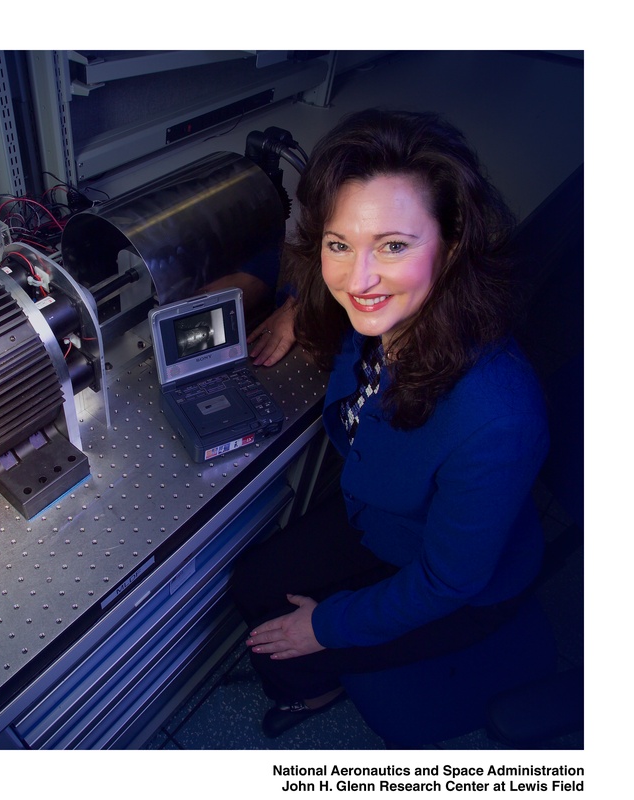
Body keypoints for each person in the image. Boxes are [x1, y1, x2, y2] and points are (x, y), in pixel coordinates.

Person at [230, 108, 549, 739]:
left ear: (452, 244)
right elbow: (318, 274)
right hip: (380, 520)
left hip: (453, 582)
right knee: (253, 584)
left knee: (286, 642)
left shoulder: (497, 418)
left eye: (394, 246)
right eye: (340, 244)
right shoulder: (378, 313)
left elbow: (446, 581)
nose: (360, 280)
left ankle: (312, 694)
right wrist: (299, 306)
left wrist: (325, 626)